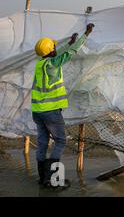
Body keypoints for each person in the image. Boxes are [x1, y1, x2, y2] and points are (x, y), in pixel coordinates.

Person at [31, 23, 94, 187]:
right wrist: (85, 35)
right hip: (50, 112)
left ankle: (43, 178)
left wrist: (69, 42)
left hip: (37, 111)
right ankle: (52, 180)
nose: (54, 48)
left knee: (43, 143)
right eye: (53, 47)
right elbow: (70, 54)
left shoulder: (40, 64)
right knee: (60, 142)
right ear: (50, 51)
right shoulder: (53, 64)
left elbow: (57, 53)